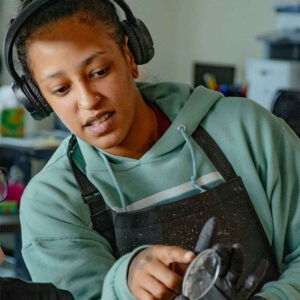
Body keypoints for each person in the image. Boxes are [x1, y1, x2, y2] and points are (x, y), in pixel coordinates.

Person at [3, 0, 300, 299]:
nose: (88, 100)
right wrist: (124, 283)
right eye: (61, 89)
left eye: (99, 71)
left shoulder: (247, 129)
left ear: (130, 56)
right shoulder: (51, 204)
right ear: (40, 101)